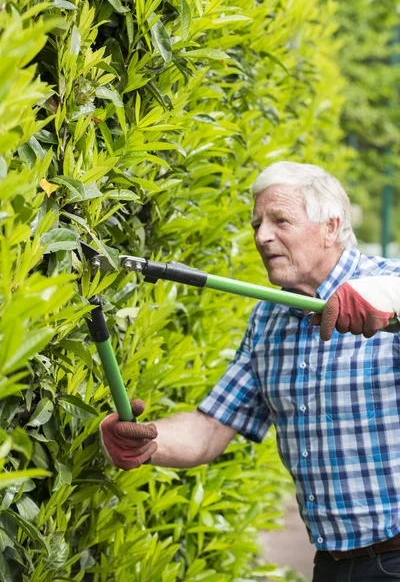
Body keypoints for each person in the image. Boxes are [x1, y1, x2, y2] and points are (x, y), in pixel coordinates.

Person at [100, 161, 400, 581]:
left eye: (280, 220)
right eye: (257, 223)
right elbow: (209, 427)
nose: (262, 236)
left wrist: (390, 297)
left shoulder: (388, 285)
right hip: (331, 564)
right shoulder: (268, 318)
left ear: (331, 227)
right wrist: (147, 441)